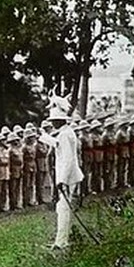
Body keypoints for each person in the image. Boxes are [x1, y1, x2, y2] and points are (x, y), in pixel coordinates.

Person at [39, 104, 84, 250]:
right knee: (62, 208)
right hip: (68, 175)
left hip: (68, 176)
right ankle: (61, 240)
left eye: (54, 121)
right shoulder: (66, 132)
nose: (52, 123)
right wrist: (43, 137)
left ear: (60, 121)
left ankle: (61, 242)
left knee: (63, 208)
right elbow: (57, 144)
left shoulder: (65, 135)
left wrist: (61, 180)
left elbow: (68, 159)